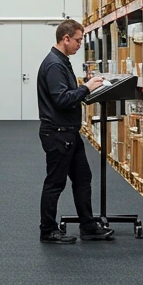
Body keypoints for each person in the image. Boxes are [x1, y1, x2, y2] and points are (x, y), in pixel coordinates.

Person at [36, 19, 115, 244]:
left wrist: (86, 88)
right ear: (66, 38)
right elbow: (61, 99)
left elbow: (68, 93)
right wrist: (85, 88)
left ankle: (88, 225)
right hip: (58, 134)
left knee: (82, 178)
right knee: (55, 182)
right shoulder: (54, 65)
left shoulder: (62, 62)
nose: (80, 44)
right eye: (78, 40)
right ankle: (47, 230)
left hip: (70, 133)